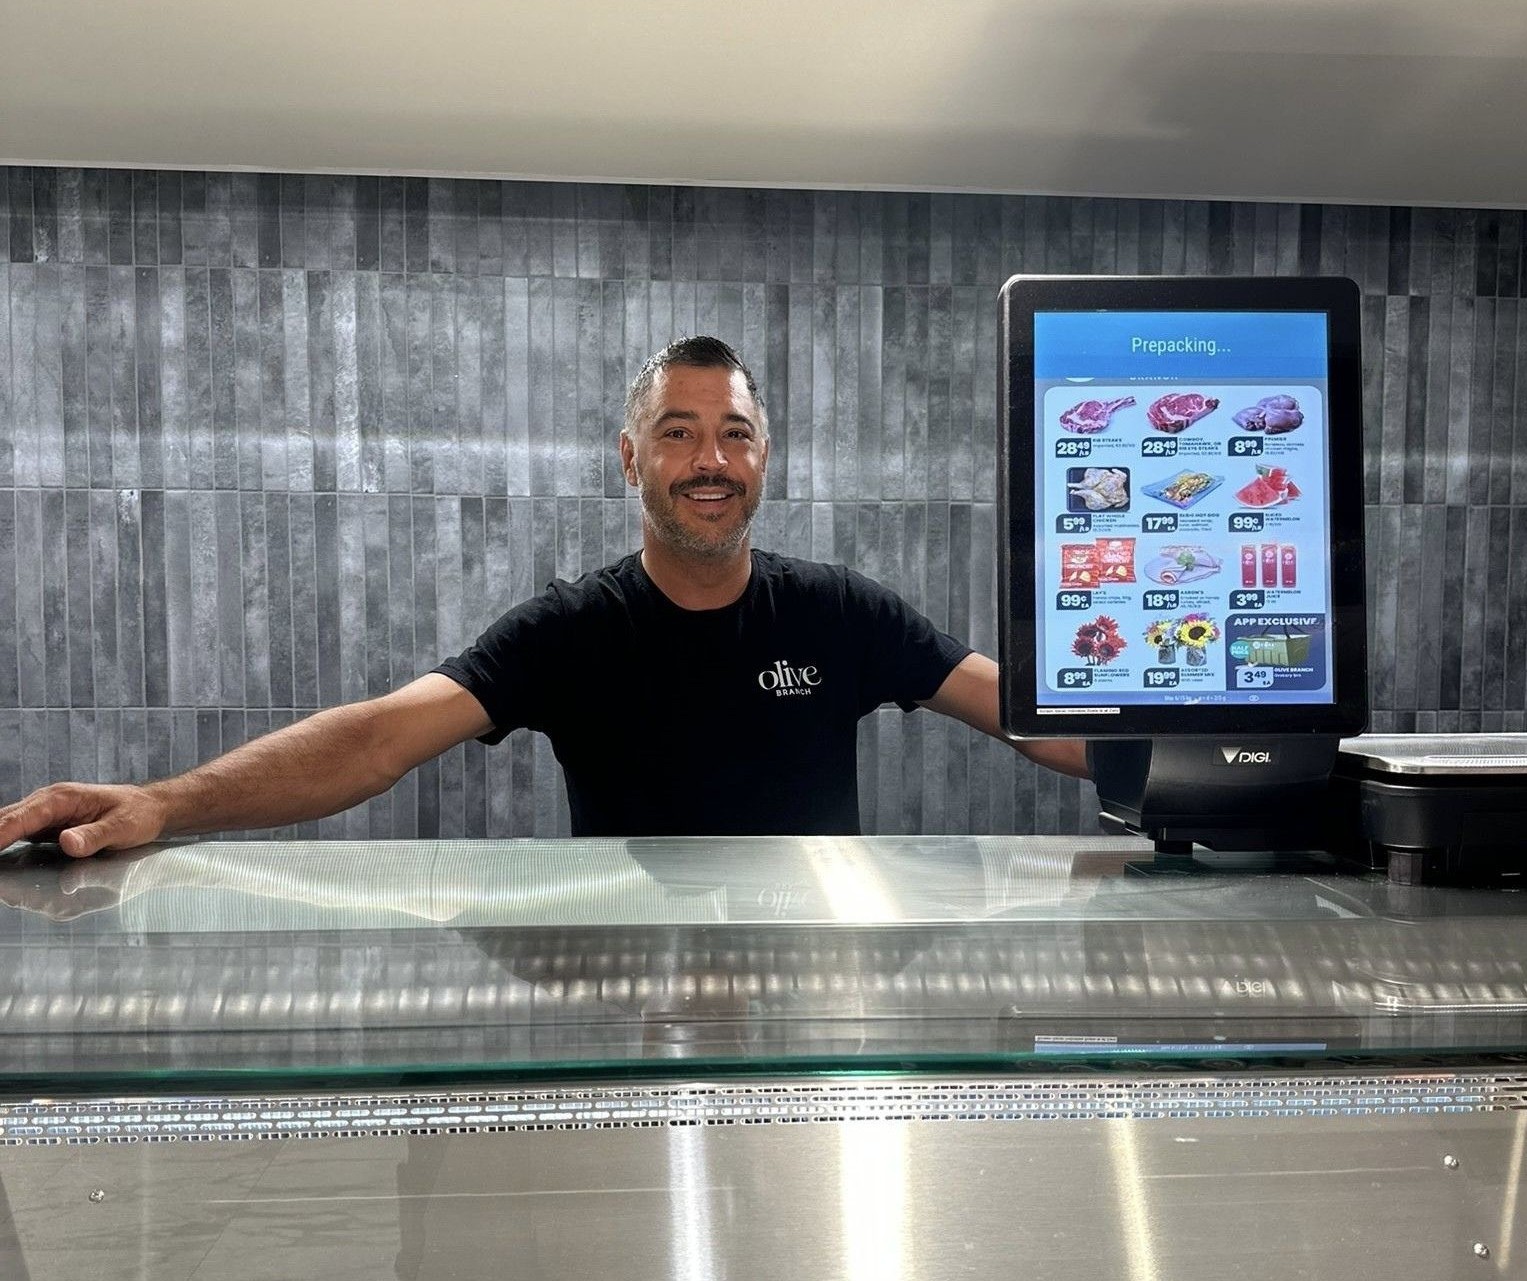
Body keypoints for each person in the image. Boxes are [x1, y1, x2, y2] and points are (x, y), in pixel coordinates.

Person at [0, 337, 1087, 858]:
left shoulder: (841, 613)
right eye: (678, 433)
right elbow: (376, 740)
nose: (710, 460)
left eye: (734, 434)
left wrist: (1192, 773)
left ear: (764, 459)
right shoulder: (574, 632)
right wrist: (165, 804)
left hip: (809, 996)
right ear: (631, 458)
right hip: (628, 998)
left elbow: (1032, 717)